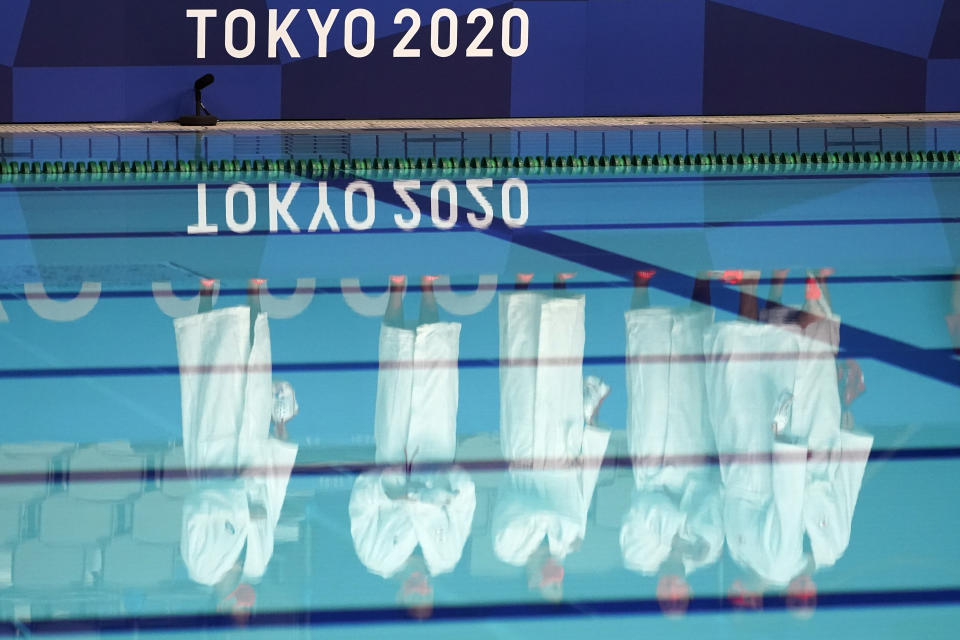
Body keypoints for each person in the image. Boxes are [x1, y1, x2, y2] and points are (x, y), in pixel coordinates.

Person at [704, 269, 873, 612]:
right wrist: (848, 436)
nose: (801, 589)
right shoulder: (831, 547)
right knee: (812, 360)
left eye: (795, 598)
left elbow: (771, 497)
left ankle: (765, 281)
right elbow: (845, 490)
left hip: (759, 453)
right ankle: (815, 283)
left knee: (747, 365)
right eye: (807, 597)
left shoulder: (751, 555)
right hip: (811, 448)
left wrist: (780, 446)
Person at [348, 275, 476, 619]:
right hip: (436, 446)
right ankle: (429, 285)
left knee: (396, 367)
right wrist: (446, 485)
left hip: (391, 450)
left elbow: (360, 502)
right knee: (436, 366)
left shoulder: (375, 557)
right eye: (426, 596)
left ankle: (395, 289)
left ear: (400, 595)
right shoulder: (446, 556)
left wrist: (392, 494)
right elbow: (466, 500)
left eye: (412, 596)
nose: (420, 588)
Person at [176, 278, 300, 621]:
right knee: (255, 367)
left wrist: (241, 507)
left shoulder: (201, 566)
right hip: (253, 450)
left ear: (221, 605)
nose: (247, 604)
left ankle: (204, 290)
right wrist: (281, 433)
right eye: (251, 610)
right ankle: (254, 289)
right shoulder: (257, 563)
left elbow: (195, 509)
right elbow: (271, 503)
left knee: (208, 372)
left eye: (239, 610)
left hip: (213, 453)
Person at [492, 273, 611, 602]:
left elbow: (520, 506)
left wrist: (559, 518)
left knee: (520, 362)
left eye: (549, 586)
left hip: (525, 446)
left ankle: (521, 286)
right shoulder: (569, 538)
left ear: (532, 584)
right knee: (565, 361)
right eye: (559, 585)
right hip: (564, 442)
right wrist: (592, 420)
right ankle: (561, 284)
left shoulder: (509, 547)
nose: (553, 579)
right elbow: (583, 484)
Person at [619, 271, 723, 617]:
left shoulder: (638, 555)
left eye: (666, 598)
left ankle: (640, 282)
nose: (672, 589)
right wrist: (682, 533)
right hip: (694, 449)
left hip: (651, 456)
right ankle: (703, 281)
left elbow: (642, 506)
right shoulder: (708, 551)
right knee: (694, 363)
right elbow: (713, 499)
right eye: (679, 597)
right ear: (689, 591)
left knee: (645, 367)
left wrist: (676, 535)